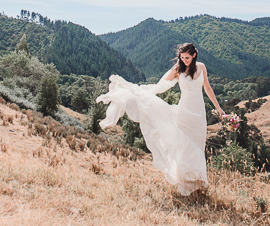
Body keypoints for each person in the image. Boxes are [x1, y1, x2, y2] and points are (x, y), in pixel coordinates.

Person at [96, 43, 226, 195]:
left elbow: (208, 88)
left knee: (198, 147)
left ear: (194, 55)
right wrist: (143, 93)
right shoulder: (178, 69)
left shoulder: (201, 67)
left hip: (199, 114)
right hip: (185, 112)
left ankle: (198, 182)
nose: (184, 60)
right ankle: (186, 182)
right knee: (185, 147)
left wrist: (219, 108)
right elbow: (161, 86)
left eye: (187, 58)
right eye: (182, 57)